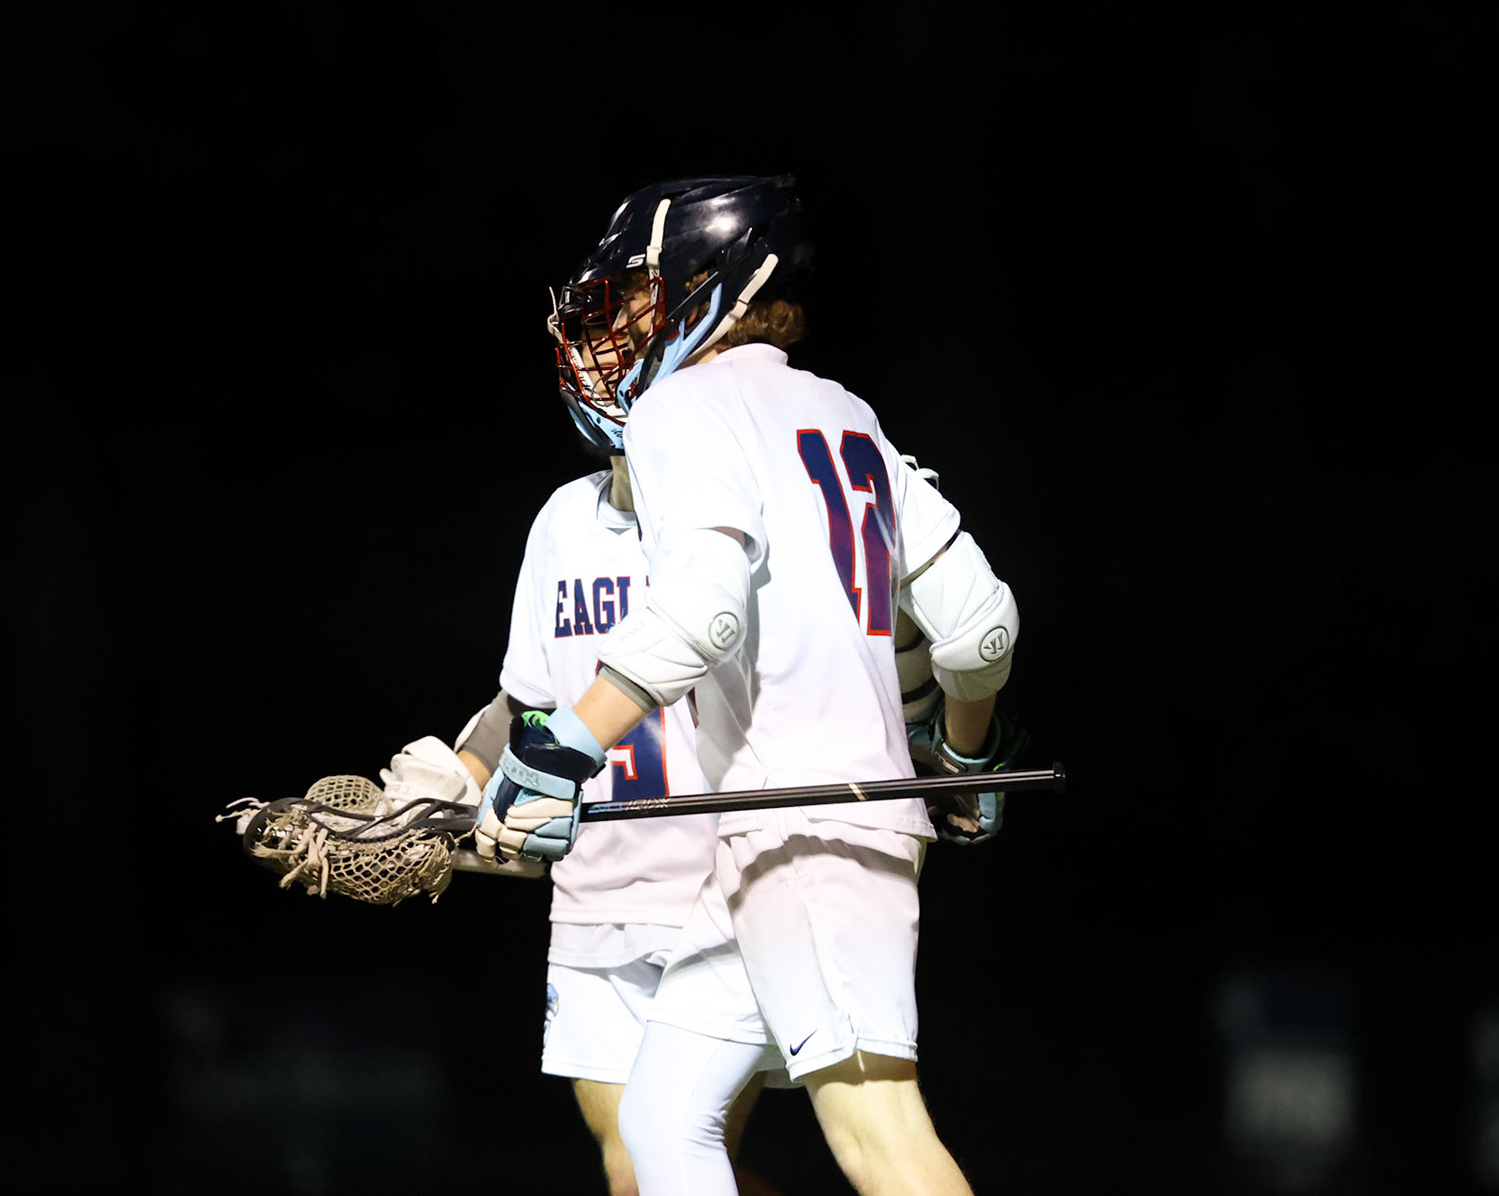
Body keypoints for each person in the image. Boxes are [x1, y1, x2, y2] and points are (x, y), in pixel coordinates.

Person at [474, 175, 1020, 1195]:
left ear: (707, 283)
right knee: (663, 1121)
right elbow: (981, 626)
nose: (621, 321)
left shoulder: (680, 407)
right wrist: (963, 747)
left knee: (882, 1137)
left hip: (810, 831)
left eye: (638, 292)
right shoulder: (846, 412)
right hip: (777, 844)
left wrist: (559, 749)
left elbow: (703, 609)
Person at [378, 400, 775, 1194]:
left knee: (683, 1151)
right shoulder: (563, 517)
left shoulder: (732, 522)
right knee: (633, 1170)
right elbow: (526, 698)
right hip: (594, 894)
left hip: (717, 891)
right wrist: (457, 779)